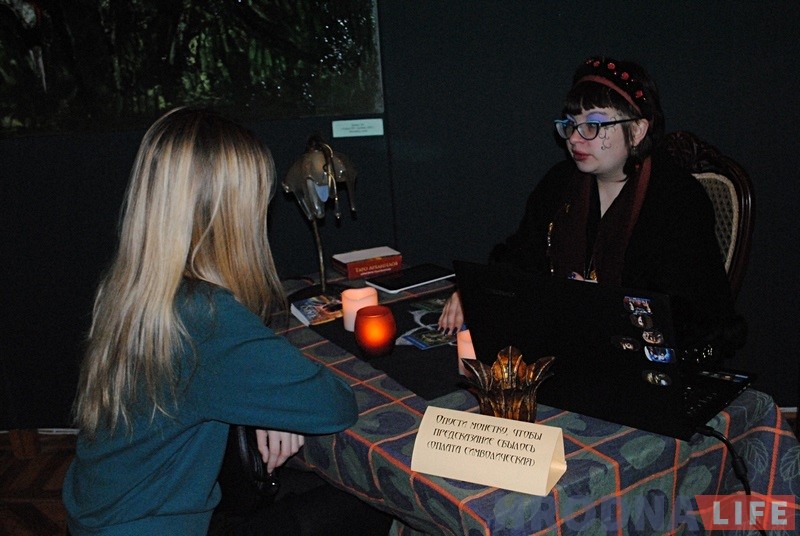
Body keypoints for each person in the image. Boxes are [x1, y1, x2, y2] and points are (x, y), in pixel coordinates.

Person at [62, 107, 391, 535]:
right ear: (230, 213)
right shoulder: (205, 316)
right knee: (370, 507)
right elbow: (334, 405)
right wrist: (273, 402)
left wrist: (263, 405)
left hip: (101, 518)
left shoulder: (133, 288)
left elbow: (213, 374)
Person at [439, 56, 745, 358]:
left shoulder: (677, 199)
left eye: (593, 125)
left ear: (637, 130)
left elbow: (694, 314)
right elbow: (520, 259)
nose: (574, 138)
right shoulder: (559, 184)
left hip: (644, 361)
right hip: (562, 348)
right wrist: (475, 293)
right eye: (571, 124)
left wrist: (602, 308)